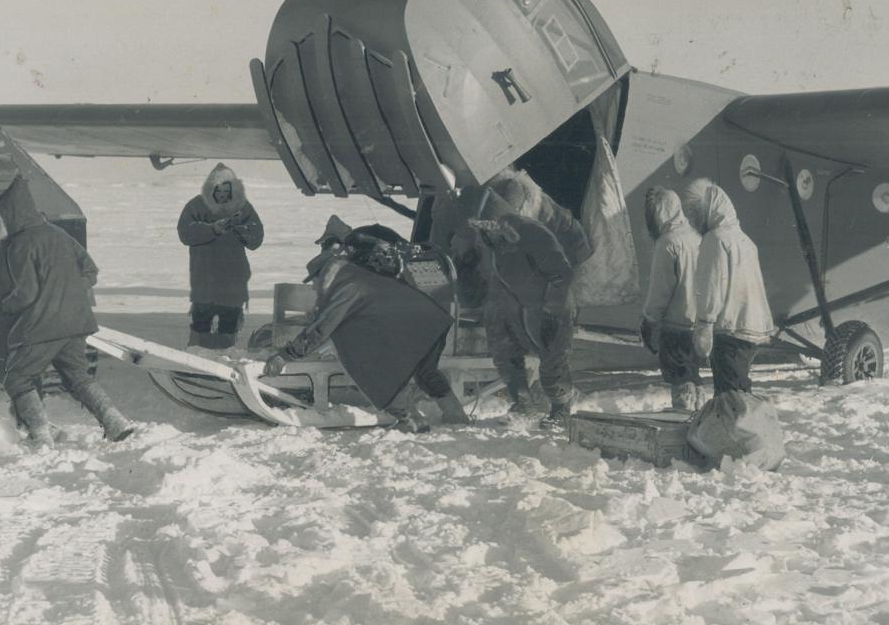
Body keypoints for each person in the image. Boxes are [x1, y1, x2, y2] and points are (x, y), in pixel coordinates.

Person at [0, 175, 139, 446]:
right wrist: (67, 291)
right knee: (78, 377)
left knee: (17, 377)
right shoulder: (59, 234)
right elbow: (90, 272)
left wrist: (4, 306)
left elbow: (26, 294)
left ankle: (41, 436)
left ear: (11, 214)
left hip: (43, 325)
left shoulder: (20, 244)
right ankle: (117, 423)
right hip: (77, 322)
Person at [262, 226, 468, 427]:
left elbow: (322, 328)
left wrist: (286, 355)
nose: (314, 286)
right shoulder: (359, 277)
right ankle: (455, 414)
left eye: (315, 280)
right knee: (426, 373)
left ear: (324, 274)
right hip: (430, 321)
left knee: (373, 366)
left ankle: (411, 419)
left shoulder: (347, 286)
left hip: (414, 326)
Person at [468, 170, 592, 423]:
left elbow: (562, 272)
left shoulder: (535, 232)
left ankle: (562, 408)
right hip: (512, 305)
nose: (487, 234)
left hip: (548, 306)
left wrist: (552, 309)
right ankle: (524, 403)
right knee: (504, 354)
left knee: (552, 366)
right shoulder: (489, 240)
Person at [681, 178, 776, 395]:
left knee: (731, 396)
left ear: (707, 210)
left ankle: (741, 428)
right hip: (751, 328)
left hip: (730, 329)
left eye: (696, 212)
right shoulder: (745, 241)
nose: (694, 220)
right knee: (738, 388)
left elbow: (711, 288)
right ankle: (743, 425)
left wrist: (704, 326)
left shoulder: (715, 240)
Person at [177, 163, 264, 349]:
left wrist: (243, 230)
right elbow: (185, 233)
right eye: (219, 190)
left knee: (228, 330)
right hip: (204, 284)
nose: (223, 194)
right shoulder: (196, 205)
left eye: (227, 189)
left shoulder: (243, 208)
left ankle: (225, 363)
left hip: (233, 285)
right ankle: (196, 363)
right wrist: (213, 229)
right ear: (211, 189)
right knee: (200, 329)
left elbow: (256, 239)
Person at [640, 186, 706, 410]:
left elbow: (660, 290)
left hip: (675, 326)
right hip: (699, 325)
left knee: (680, 384)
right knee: (694, 379)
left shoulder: (667, 243)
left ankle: (681, 427)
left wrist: (649, 320)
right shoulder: (697, 237)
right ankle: (699, 425)